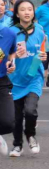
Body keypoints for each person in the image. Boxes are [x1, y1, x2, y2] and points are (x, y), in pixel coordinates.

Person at [8, 0, 47, 156]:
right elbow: (1, 54)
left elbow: (43, 51)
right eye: (22, 10)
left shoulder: (40, 30)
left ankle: (31, 135)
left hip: (34, 78)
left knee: (30, 111)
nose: (26, 12)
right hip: (15, 80)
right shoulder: (9, 32)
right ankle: (17, 145)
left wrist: (43, 57)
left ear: (33, 12)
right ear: (17, 13)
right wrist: (12, 57)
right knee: (16, 118)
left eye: (30, 9)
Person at [0, 20, 17, 157]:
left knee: (8, 123)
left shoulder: (9, 33)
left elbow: (12, 52)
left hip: (2, 81)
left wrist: (12, 63)